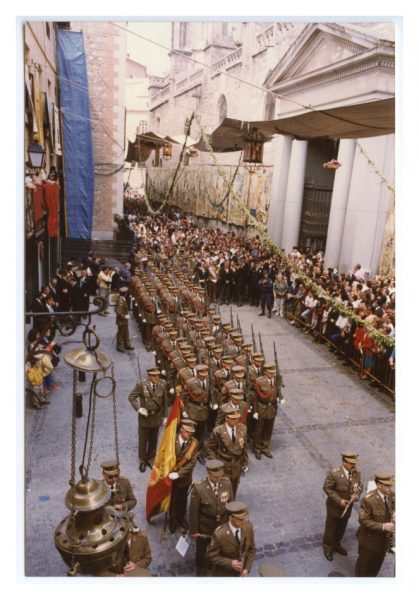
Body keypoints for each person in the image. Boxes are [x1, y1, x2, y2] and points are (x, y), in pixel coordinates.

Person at [189, 459, 234, 576]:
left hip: (222, 523)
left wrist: (231, 524)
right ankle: (201, 566)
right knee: (202, 547)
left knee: (217, 545)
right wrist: (194, 530)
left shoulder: (227, 483)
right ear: (209, 474)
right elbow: (193, 512)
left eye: (220, 476)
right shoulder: (199, 488)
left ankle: (213, 563)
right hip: (205, 524)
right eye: (215, 476)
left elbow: (231, 504)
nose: (218, 479)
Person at [322, 451, 363, 561]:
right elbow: (327, 488)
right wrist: (339, 500)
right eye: (351, 463)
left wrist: (356, 496)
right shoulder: (335, 474)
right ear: (344, 462)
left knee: (341, 527)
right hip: (334, 507)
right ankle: (328, 547)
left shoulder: (356, 473)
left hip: (347, 508)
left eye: (355, 463)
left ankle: (337, 544)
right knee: (331, 528)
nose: (354, 465)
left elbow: (360, 486)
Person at [355, 472, 395, 577]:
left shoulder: (391, 494)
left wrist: (395, 513)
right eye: (387, 486)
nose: (390, 488)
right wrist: (382, 526)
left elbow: (394, 505)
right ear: (378, 486)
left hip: (383, 542)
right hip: (369, 542)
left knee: (375, 567)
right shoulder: (368, 500)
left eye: (391, 485)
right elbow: (363, 520)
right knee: (362, 568)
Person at [128, 367, 167, 472]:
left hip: (156, 417)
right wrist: (139, 408)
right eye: (154, 376)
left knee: (154, 439)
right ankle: (142, 460)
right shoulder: (141, 384)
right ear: (149, 376)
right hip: (145, 417)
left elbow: (164, 402)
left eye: (158, 375)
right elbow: (131, 397)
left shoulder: (163, 384)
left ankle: (151, 459)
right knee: (143, 440)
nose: (156, 378)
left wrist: (164, 417)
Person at [206, 405, 248, 499]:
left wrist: (245, 462)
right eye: (233, 419)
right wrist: (214, 465)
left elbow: (244, 447)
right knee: (222, 488)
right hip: (223, 464)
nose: (235, 421)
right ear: (226, 418)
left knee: (234, 487)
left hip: (236, 464)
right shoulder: (218, 431)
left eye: (237, 418)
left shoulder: (242, 429)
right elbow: (210, 448)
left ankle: (231, 506)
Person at [207, 501, 256, 577]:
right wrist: (230, 563)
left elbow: (252, 549)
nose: (243, 522)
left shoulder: (248, 527)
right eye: (240, 519)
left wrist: (246, 568)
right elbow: (211, 556)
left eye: (244, 518)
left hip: (241, 573)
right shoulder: (220, 535)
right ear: (230, 518)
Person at [168, 419, 199, 533]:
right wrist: (170, 472)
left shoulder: (194, 443)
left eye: (191, 432)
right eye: (186, 431)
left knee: (182, 499)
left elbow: (192, 463)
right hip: (170, 476)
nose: (189, 434)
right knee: (172, 500)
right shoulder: (171, 439)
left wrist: (179, 474)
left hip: (184, 477)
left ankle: (181, 517)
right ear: (181, 429)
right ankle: (172, 519)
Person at [115, 287, 134, 352]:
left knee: (126, 333)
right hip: (121, 321)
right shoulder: (121, 301)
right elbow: (118, 312)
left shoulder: (122, 299)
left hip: (124, 321)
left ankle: (127, 344)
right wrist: (125, 316)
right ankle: (119, 346)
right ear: (125, 294)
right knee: (121, 333)